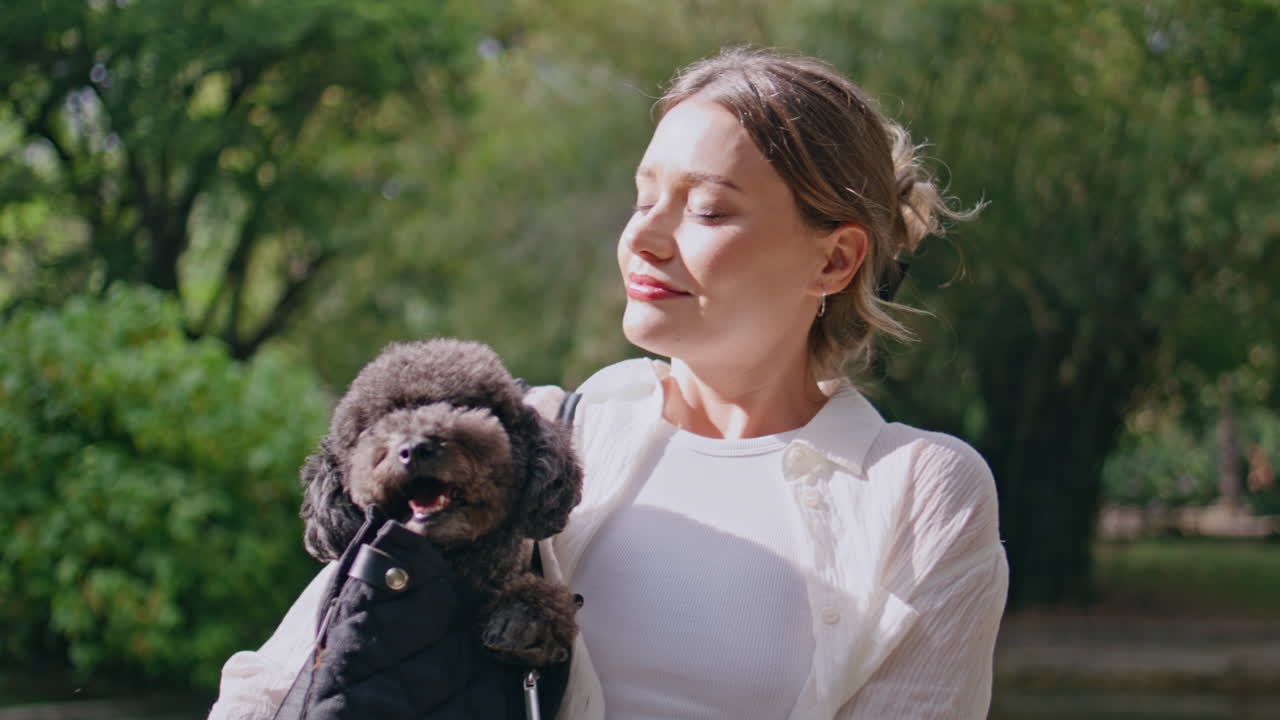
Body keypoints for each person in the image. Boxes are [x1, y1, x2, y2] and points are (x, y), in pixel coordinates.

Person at [208, 46, 1007, 719]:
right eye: (644, 195)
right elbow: (278, 682)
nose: (643, 237)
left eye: (707, 209)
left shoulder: (921, 493)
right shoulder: (536, 433)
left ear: (833, 259)